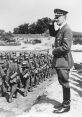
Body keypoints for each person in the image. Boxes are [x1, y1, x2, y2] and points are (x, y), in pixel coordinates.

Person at [48, 8, 74, 113]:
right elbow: (53, 33)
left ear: (64, 17)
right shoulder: (61, 29)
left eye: (58, 18)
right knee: (63, 82)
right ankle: (64, 103)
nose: (56, 20)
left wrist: (53, 51)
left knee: (65, 83)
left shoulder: (67, 29)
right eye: (55, 18)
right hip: (61, 61)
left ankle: (66, 106)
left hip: (64, 61)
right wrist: (50, 24)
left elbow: (66, 47)